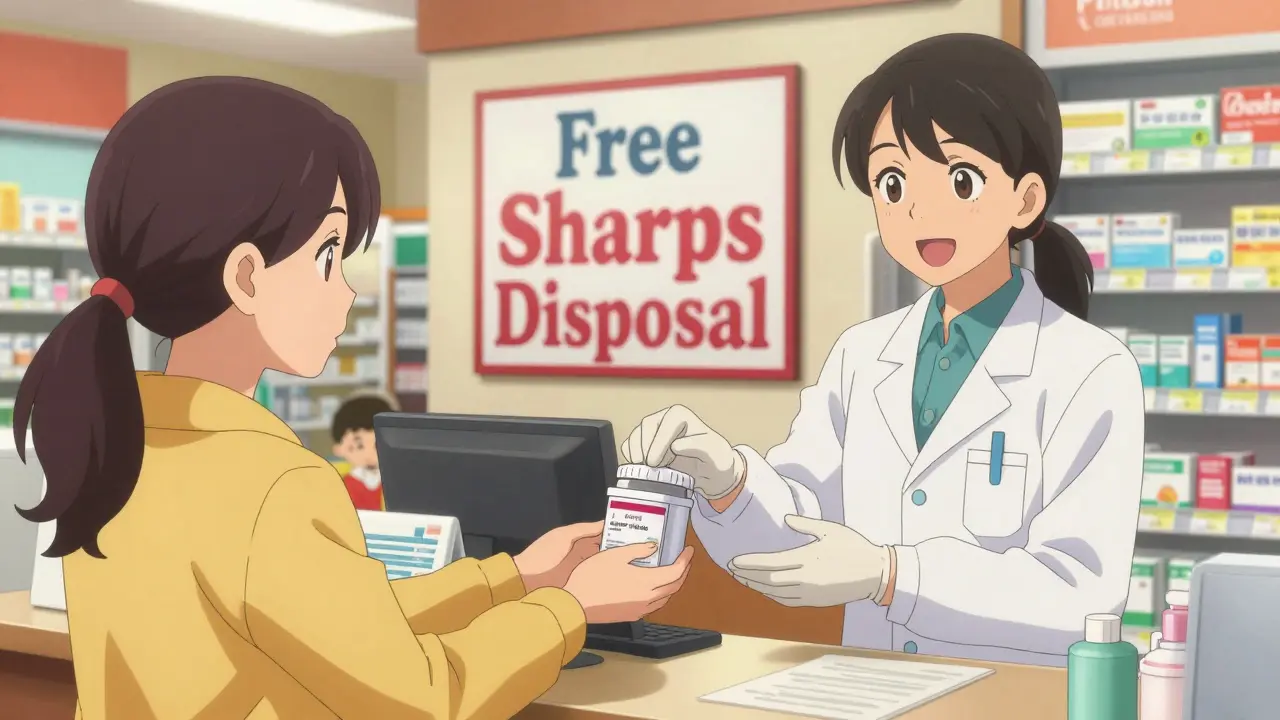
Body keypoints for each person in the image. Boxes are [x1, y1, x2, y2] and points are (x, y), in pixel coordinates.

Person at [15, 77, 692, 720]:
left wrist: (513, 577)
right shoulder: (271, 484)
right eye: (328, 253)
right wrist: (571, 609)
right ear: (246, 276)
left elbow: (338, 630)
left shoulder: (118, 448)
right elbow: (423, 697)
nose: (347, 289)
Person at [620, 34, 1145, 667]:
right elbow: (796, 535)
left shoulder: (1091, 369)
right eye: (892, 182)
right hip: (874, 684)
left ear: (1026, 199)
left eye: (960, 178)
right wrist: (728, 480)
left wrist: (891, 575)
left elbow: (1081, 594)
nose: (918, 210)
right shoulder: (862, 354)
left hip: (1011, 695)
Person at [331, 394, 393, 510]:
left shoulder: (394, 482)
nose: (369, 455)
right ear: (339, 449)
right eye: (359, 446)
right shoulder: (338, 483)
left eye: (377, 446)